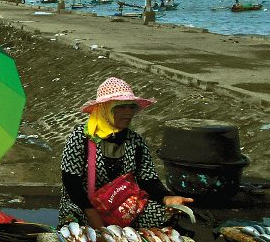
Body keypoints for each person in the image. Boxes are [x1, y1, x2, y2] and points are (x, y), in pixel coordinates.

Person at [59, 77, 193, 229]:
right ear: (105, 109)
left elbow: (148, 180)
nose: (128, 112)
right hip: (84, 205)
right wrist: (92, 215)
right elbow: (71, 182)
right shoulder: (80, 137)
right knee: (73, 224)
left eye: (131, 107)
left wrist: (167, 197)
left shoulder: (136, 141)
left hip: (121, 206)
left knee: (167, 215)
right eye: (121, 107)